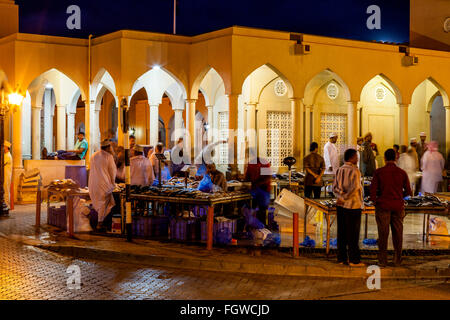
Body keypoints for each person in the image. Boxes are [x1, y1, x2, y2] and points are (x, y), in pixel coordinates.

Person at [370, 149, 412, 267]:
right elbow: (409, 191)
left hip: (383, 206)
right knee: (398, 233)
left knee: (383, 233)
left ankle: (382, 260)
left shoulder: (379, 172)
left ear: (384, 158)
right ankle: (397, 259)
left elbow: (372, 193)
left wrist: (377, 200)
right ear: (396, 158)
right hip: (398, 206)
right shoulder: (402, 173)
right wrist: (399, 197)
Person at [333, 149, 364, 267]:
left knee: (341, 233)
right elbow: (355, 188)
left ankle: (341, 258)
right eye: (356, 157)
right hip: (353, 206)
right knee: (353, 234)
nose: (357, 159)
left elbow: (335, 187)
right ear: (351, 158)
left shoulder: (339, 170)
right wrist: (345, 197)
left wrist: (340, 197)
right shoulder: (355, 170)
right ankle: (354, 260)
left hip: (341, 206)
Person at [89, 140, 117, 231]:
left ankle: (99, 221)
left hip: (92, 183)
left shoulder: (93, 155)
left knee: (100, 203)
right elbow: (113, 172)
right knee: (104, 203)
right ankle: (100, 223)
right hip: (103, 183)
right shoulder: (109, 157)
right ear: (108, 147)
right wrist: (113, 183)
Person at [244, 148, 272, 226]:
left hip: (264, 190)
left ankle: (263, 228)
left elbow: (267, 177)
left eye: (248, 155)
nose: (248, 157)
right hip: (255, 190)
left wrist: (257, 184)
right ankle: (255, 227)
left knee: (262, 210)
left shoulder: (263, 163)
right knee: (251, 209)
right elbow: (248, 177)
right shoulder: (250, 164)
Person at [3, 141, 12, 210]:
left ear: (6, 147)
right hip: (5, 175)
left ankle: (7, 205)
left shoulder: (7, 156)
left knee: (6, 190)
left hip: (7, 175)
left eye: (3, 146)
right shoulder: (5, 155)